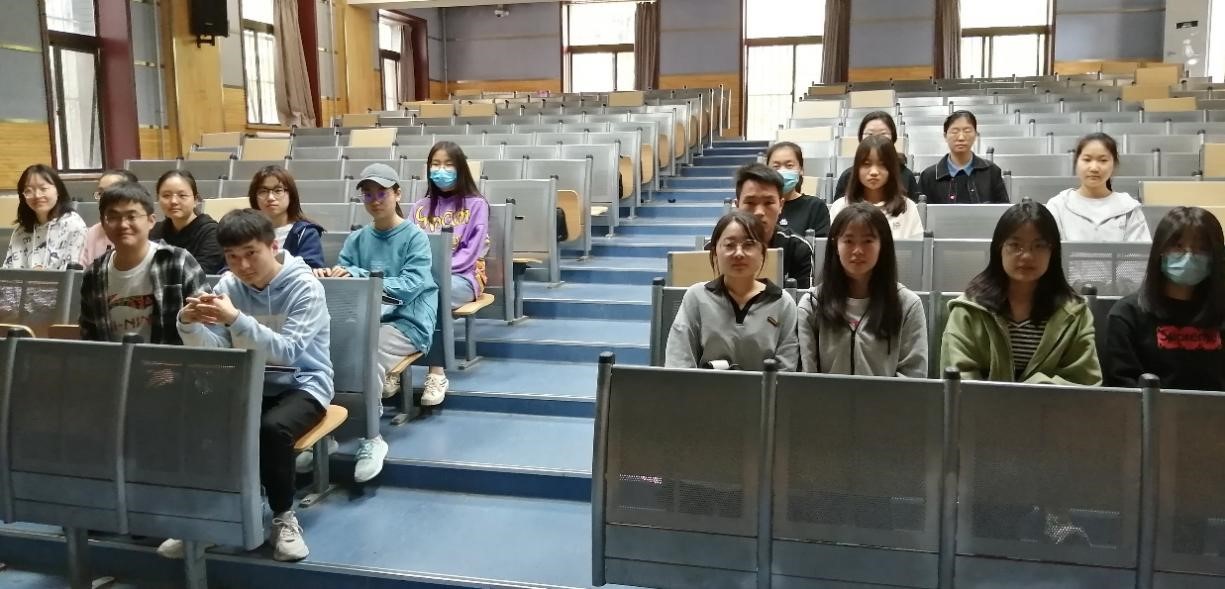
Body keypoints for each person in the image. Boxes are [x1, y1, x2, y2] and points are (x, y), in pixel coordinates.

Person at [170, 209, 332, 562]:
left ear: (272, 246)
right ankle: (217, 518)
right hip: (250, 382)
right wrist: (188, 325)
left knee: (271, 429)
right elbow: (218, 350)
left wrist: (236, 319)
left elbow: (289, 352)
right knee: (196, 416)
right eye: (232, 256)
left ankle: (283, 517)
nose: (242, 265)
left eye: (251, 253)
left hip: (305, 383)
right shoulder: (227, 287)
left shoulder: (305, 287)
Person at [315, 163, 438, 484]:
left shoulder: (414, 237)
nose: (375, 200)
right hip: (365, 321)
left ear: (397, 194)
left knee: (365, 353)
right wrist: (333, 276)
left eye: (382, 193)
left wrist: (358, 275)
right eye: (368, 194)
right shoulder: (357, 239)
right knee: (330, 349)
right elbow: (347, 283)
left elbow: (410, 286)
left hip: (408, 321)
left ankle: (371, 436)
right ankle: (328, 430)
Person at [940, 201, 1101, 384]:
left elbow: (1085, 383)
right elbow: (957, 382)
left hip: (1051, 405)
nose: (1026, 256)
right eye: (1015, 245)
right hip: (979, 404)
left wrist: (1031, 390)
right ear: (999, 249)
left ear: (1053, 252)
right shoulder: (969, 310)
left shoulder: (1075, 314)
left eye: (1039, 246)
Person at [798, 203, 927, 376]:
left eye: (868, 241)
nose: (858, 250)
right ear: (836, 245)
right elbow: (807, 379)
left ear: (882, 245)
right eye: (848, 241)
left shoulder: (907, 306)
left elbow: (913, 377)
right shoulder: (812, 304)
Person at [1106, 207, 1225, 390]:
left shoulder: (1220, 313)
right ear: (1160, 251)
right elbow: (1122, 389)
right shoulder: (1126, 315)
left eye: (1201, 249)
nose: (1189, 255)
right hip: (1150, 409)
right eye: (1178, 246)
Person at [408, 142, 490, 405]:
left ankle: (436, 372)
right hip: (422, 277)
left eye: (448, 164)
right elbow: (407, 246)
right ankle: (396, 369)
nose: (440, 170)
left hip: (463, 277)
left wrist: (430, 275)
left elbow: (470, 254)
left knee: (434, 293)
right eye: (435, 164)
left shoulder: (476, 205)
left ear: (460, 169)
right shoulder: (420, 207)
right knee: (394, 294)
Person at [666, 210, 798, 371]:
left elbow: (787, 373)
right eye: (729, 245)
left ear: (762, 253)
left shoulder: (783, 303)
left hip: (765, 388)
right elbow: (678, 364)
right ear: (715, 252)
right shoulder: (696, 297)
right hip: (704, 387)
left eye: (748, 244)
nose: (739, 253)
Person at [79, 181, 207, 344]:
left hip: (172, 360)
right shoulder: (94, 274)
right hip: (114, 360)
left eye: (132, 216)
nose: (123, 224)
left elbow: (208, 326)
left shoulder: (178, 262)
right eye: (113, 217)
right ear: (103, 224)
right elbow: (90, 337)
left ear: (151, 221)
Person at [1045, 133, 1150, 242]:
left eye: (1103, 160)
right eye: (1087, 159)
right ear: (1076, 163)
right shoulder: (1058, 205)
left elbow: (1139, 251)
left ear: (1114, 165)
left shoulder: (1129, 207)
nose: (1094, 168)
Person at [828, 136, 925, 240]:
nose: (874, 172)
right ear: (856, 168)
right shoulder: (839, 207)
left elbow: (916, 248)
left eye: (882, 164)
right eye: (866, 164)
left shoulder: (908, 207)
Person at [733, 163, 813, 289]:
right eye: (750, 202)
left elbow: (801, 298)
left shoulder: (798, 249)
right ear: (737, 206)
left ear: (781, 205)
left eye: (768, 203)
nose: (759, 212)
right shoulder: (716, 249)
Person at [3, 164, 87, 269]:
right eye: (28, 190)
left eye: (43, 188)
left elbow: (73, 273)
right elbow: (8, 272)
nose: (37, 195)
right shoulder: (21, 231)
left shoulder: (73, 225)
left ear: (58, 190)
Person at [918, 110, 1010, 204]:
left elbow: (1003, 210)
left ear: (975, 135)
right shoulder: (928, 176)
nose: (961, 138)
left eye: (967, 131)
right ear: (945, 136)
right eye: (955, 131)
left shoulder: (992, 172)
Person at [247, 165, 325, 268]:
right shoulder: (246, 232)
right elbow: (230, 266)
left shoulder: (305, 233)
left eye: (278, 191)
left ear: (291, 195)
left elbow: (311, 268)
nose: (270, 197)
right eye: (263, 191)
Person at [834, 111, 921, 201]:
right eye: (869, 134)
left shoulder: (906, 175)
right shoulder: (847, 176)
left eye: (883, 134)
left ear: (893, 138)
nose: (876, 138)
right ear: (860, 138)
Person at [150, 170, 224, 273]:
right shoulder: (154, 231)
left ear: (196, 200)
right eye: (166, 195)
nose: (173, 201)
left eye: (182, 195)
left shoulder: (212, 233)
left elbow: (201, 274)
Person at [765, 141, 830, 237]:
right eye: (776, 166)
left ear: (801, 170)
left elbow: (820, 244)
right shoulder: (759, 206)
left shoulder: (815, 207)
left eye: (789, 165)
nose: (782, 171)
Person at [80, 169, 139, 266]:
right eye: (101, 193)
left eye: (113, 192)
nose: (104, 199)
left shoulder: (140, 229)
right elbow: (82, 270)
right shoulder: (93, 232)